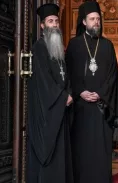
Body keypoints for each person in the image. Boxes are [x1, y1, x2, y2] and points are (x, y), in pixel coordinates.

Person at [65, 1, 118, 183]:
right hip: (81, 108)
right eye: (92, 19)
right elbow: (68, 73)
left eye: (98, 19)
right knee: (81, 149)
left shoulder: (107, 45)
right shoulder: (74, 45)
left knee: (101, 149)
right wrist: (81, 91)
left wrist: (100, 93)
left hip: (101, 107)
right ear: (84, 22)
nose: (96, 22)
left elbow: (112, 75)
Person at [27, 3, 73, 183]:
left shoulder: (59, 48)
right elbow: (43, 80)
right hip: (48, 110)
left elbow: (65, 75)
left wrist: (69, 92)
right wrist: (62, 97)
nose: (54, 24)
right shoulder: (39, 48)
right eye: (50, 21)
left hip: (61, 107)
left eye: (56, 21)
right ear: (42, 25)